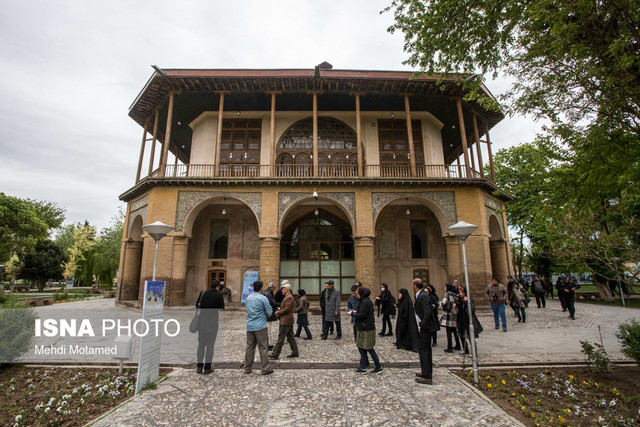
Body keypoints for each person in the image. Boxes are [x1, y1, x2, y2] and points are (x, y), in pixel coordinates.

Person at [243, 280, 274, 375]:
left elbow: (247, 310)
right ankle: (265, 368)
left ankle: (247, 368)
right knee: (263, 347)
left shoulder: (248, 298)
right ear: (261, 288)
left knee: (250, 347)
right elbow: (269, 312)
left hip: (250, 326)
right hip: (260, 326)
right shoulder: (263, 298)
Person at [351, 286, 383, 374]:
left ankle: (378, 366)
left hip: (367, 329)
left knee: (369, 348)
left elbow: (362, 315)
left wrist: (353, 313)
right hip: (362, 327)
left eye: (357, 293)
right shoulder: (363, 301)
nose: (356, 295)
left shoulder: (365, 302)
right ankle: (363, 367)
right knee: (361, 347)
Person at [195, 280, 225, 374]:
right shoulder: (219, 295)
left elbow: (197, 306)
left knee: (201, 345)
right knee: (210, 345)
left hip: (202, 323)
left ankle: (199, 367)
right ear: (217, 286)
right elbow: (221, 309)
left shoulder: (203, 293)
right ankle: (207, 367)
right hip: (212, 324)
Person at [413, 279, 437, 384]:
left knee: (423, 350)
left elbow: (427, 312)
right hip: (425, 326)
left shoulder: (422, 296)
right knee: (425, 349)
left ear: (415, 285)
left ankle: (427, 376)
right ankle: (426, 372)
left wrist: (423, 325)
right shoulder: (421, 294)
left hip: (426, 328)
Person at [269, 283, 299, 359]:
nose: (281, 290)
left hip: (286, 320)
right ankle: (295, 352)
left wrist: (278, 312)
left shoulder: (289, 297)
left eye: (283, 289)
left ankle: (275, 354)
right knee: (290, 337)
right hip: (287, 320)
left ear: (287, 289)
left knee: (281, 338)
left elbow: (287, 308)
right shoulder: (287, 296)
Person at [456, 287, 483, 355]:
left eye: (460, 292)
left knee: (470, 338)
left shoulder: (469, 300)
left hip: (468, 320)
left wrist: (467, 302)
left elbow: (472, 310)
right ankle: (466, 350)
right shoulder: (460, 300)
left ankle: (474, 353)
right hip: (461, 320)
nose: (459, 294)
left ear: (464, 293)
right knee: (462, 336)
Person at [439, 283, 461, 352]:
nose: (444, 288)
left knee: (448, 331)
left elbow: (443, 303)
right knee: (454, 331)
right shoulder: (454, 294)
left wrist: (439, 302)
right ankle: (458, 345)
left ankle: (449, 347)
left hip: (448, 315)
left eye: (445, 287)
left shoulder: (447, 294)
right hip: (454, 314)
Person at [263, 282, 280, 350]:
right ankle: (268, 343)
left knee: (268, 329)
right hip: (268, 314)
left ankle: (267, 342)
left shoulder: (267, 292)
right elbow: (272, 302)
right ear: (272, 287)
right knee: (268, 330)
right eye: (275, 287)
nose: (275, 288)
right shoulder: (268, 294)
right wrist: (281, 304)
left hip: (268, 313)